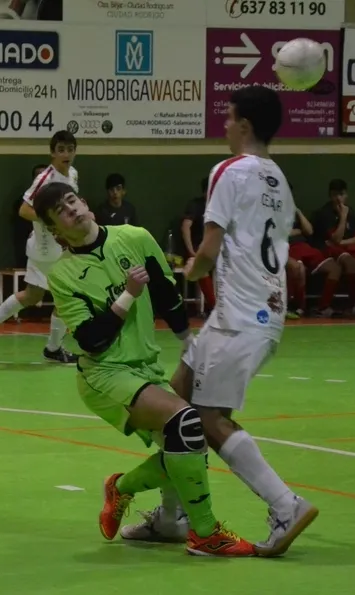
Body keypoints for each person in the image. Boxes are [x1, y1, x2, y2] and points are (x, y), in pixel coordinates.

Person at [123, 86, 318, 558]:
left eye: (229, 119)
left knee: (208, 420)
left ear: (245, 126)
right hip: (263, 313)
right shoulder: (279, 178)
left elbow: (209, 250)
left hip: (238, 315)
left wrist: (190, 270)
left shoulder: (228, 171)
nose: (225, 126)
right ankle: (173, 517)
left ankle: (285, 505)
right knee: (175, 404)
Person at [31, 182, 256, 557]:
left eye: (72, 201)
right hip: (104, 375)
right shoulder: (64, 274)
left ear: (84, 202)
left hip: (145, 366)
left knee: (188, 445)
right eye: (61, 212)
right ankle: (204, 532)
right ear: (57, 230)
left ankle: (122, 489)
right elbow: (91, 339)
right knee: (184, 423)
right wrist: (128, 295)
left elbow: (167, 295)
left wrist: (189, 341)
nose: (71, 210)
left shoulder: (134, 237)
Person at [0, 131, 79, 363]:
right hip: (47, 250)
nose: (66, 154)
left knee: (32, 295)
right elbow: (24, 210)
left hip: (52, 248)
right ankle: (53, 349)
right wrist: (51, 221)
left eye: (70, 149)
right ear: (52, 152)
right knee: (68, 296)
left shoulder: (72, 174)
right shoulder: (45, 179)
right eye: (61, 149)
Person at [311, 179, 355, 317]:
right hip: (324, 250)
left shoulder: (351, 211)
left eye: (341, 194)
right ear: (330, 196)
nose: (338, 198)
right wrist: (343, 217)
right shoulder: (325, 213)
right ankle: (350, 304)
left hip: (344, 248)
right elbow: (335, 238)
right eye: (334, 195)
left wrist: (341, 243)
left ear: (346, 195)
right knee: (350, 262)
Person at [181, 178, 215, 314]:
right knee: (202, 267)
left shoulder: (222, 206)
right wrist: (192, 252)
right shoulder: (195, 205)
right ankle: (214, 307)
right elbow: (185, 227)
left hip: (218, 249)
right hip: (198, 249)